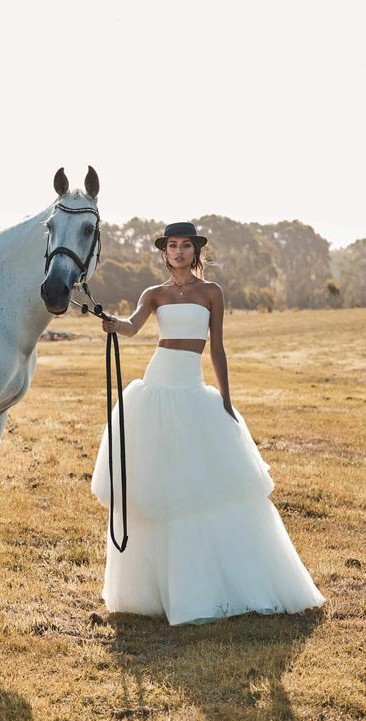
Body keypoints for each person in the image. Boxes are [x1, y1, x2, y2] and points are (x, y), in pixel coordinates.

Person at [90, 221, 325, 626]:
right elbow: (131, 327)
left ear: (195, 251)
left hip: (192, 386)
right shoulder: (155, 293)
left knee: (204, 483)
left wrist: (227, 402)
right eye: (172, 246)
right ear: (164, 253)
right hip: (158, 384)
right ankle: (153, 589)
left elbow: (217, 348)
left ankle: (212, 582)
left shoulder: (210, 292)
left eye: (185, 246)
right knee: (157, 485)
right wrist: (114, 324)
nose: (178, 252)